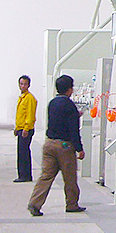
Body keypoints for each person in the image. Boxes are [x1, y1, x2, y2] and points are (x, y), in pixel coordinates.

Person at [27, 74, 86, 216]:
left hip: (49, 144)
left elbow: (58, 119)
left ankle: (34, 203)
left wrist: (74, 115)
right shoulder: (70, 106)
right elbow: (73, 130)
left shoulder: (52, 103)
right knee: (70, 177)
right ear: (70, 89)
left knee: (46, 176)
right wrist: (79, 149)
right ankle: (72, 204)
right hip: (64, 146)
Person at [13, 75, 36, 182]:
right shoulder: (22, 98)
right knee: (21, 153)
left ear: (28, 85)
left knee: (24, 153)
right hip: (21, 129)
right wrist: (17, 128)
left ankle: (25, 175)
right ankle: (22, 174)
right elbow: (20, 115)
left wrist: (26, 129)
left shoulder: (29, 98)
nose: (23, 86)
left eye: (25, 84)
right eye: (21, 84)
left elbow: (30, 115)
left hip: (26, 130)